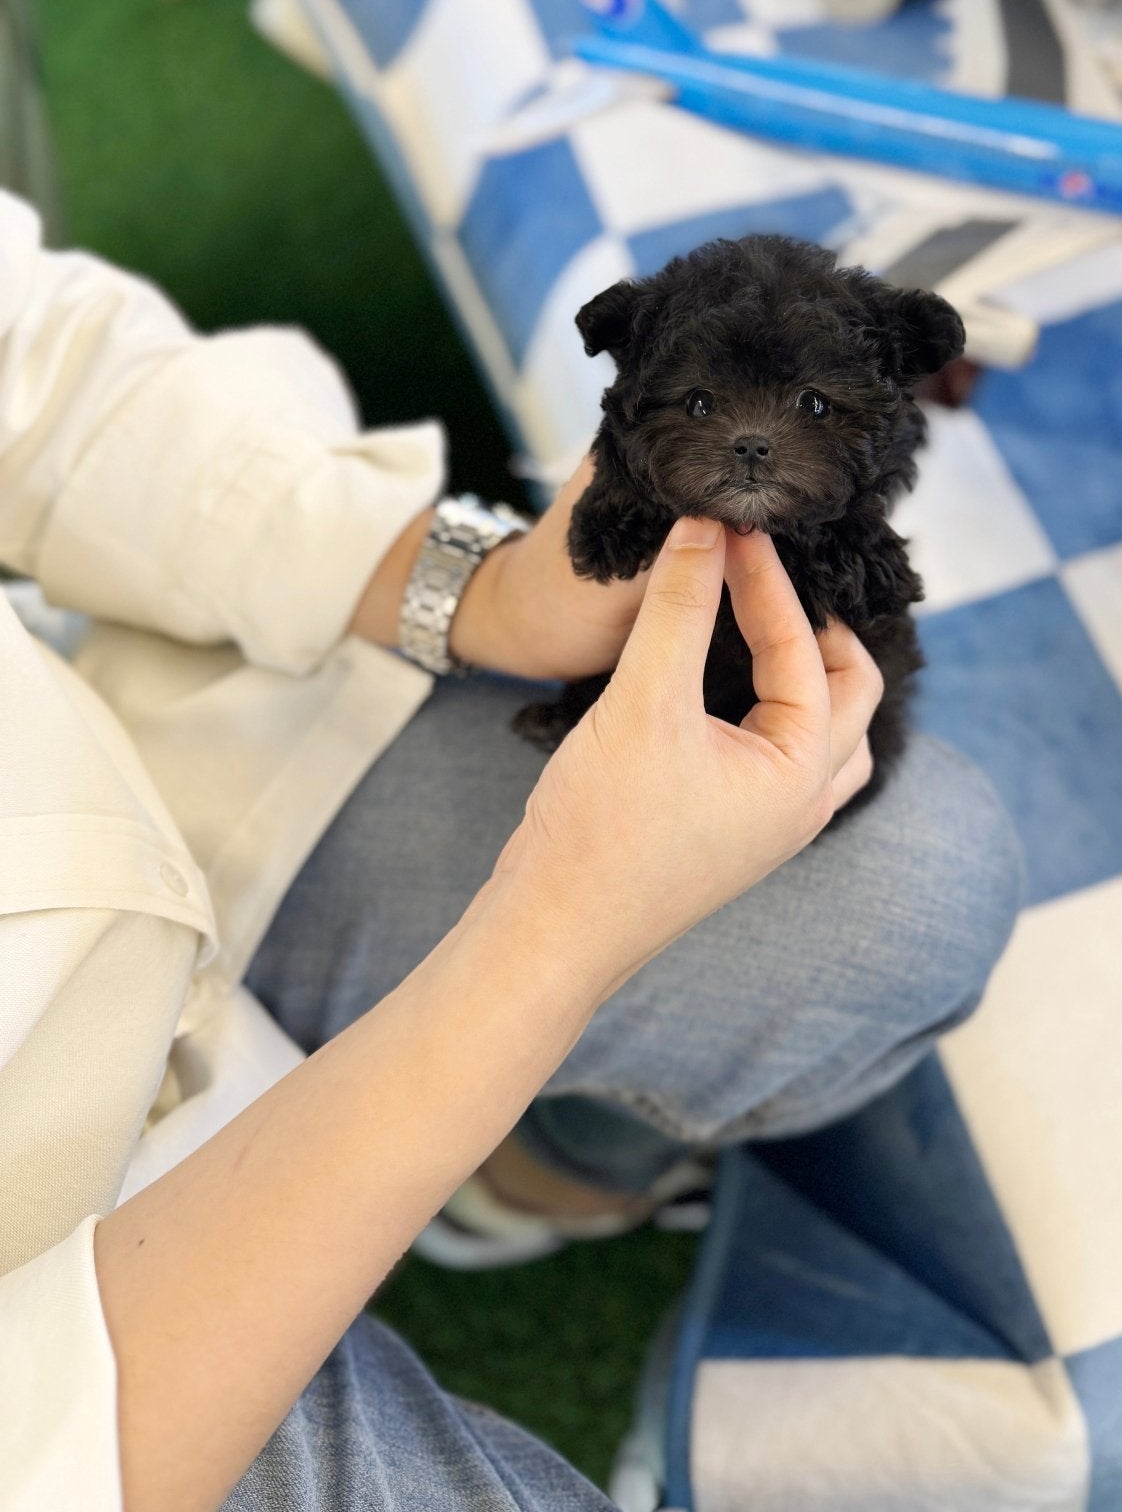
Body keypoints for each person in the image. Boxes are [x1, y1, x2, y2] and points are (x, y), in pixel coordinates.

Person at [0, 189, 1022, 1512]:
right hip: (76, 1398)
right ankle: (492, 1147)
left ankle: (528, 1179)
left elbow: (38, 373)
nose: (756, 444)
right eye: (702, 410)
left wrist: (468, 590)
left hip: (117, 782)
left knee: (914, 885)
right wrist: (556, 935)